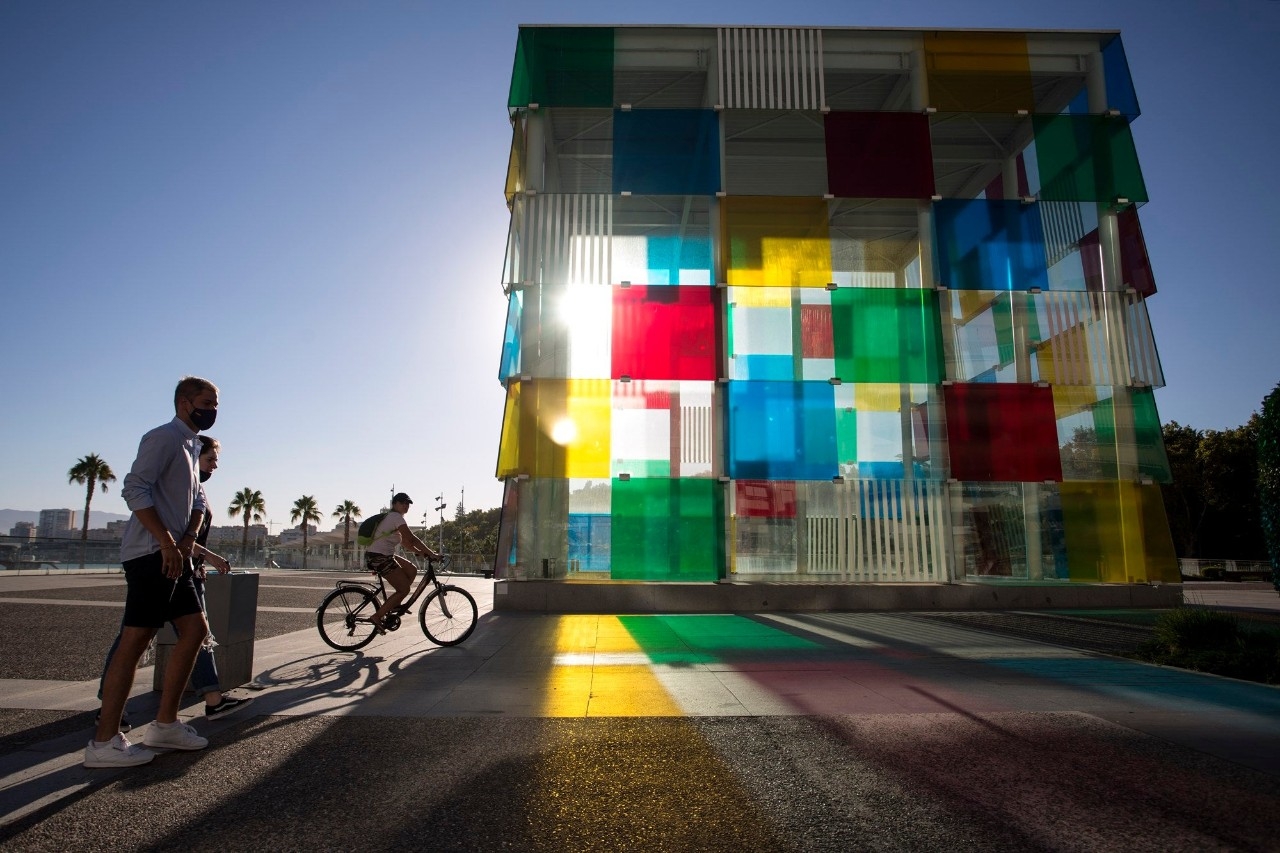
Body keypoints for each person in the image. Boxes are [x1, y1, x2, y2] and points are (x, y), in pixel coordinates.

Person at [85, 376, 218, 768]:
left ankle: (165, 724)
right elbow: (135, 489)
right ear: (183, 403)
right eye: (206, 401)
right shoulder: (163, 438)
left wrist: (188, 539)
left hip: (176, 555)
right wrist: (164, 541)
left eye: (216, 403)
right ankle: (104, 742)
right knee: (135, 642)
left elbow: (196, 498)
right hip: (151, 556)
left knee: (195, 631)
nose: (212, 409)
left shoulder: (193, 446)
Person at [92, 435, 252, 730]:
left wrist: (196, 552)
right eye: (210, 459)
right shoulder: (168, 471)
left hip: (183, 567)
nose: (215, 465)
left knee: (195, 632)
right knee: (136, 637)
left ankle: (196, 707)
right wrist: (171, 547)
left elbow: (188, 530)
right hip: (158, 561)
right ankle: (109, 716)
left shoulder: (195, 487)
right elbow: (139, 496)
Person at [364, 492, 439, 632]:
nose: (406, 506)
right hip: (378, 557)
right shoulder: (395, 517)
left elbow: (406, 543)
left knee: (412, 570)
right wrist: (432, 553)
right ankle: (377, 616)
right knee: (404, 589)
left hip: (384, 555)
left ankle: (395, 604)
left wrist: (423, 553)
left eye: (408, 504)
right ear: (394, 504)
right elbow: (412, 538)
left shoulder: (394, 519)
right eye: (402, 503)